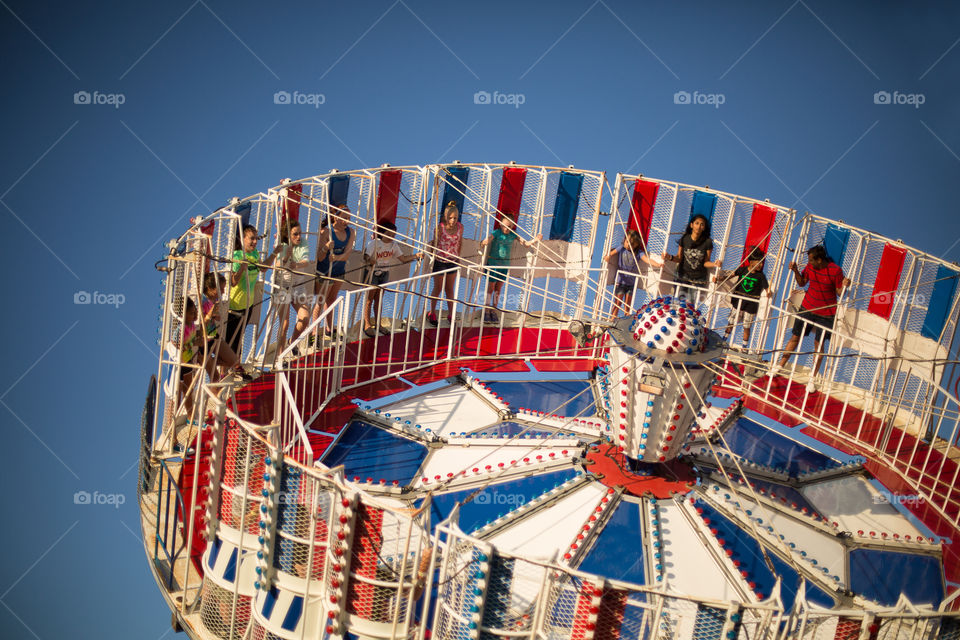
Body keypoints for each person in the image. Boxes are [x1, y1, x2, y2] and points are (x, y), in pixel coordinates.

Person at [776, 244, 850, 391]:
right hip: (807, 308)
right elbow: (802, 282)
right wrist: (796, 270)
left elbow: (839, 293)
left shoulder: (835, 270)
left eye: (811, 260)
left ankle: (812, 378)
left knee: (819, 345)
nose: (808, 263)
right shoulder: (810, 268)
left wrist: (844, 285)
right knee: (795, 337)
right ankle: (779, 366)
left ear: (820, 260)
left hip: (827, 314)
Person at [227, 224, 280, 354]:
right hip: (234, 307)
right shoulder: (237, 256)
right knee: (230, 343)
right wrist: (241, 268)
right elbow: (233, 282)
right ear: (243, 239)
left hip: (248, 305)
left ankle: (235, 369)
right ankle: (226, 371)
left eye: (256, 238)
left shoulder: (255, 254)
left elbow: (263, 268)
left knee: (239, 341)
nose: (255, 242)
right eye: (252, 238)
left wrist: (275, 253)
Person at [362, 221, 421, 337]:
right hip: (372, 273)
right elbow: (366, 256)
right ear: (382, 233)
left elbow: (403, 259)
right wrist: (370, 260)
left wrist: (415, 256)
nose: (392, 237)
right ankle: (367, 324)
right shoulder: (373, 243)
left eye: (393, 235)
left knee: (379, 300)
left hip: (384, 274)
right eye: (389, 235)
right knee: (369, 299)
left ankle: (378, 324)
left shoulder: (394, 246)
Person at [480, 216, 540, 323]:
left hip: (505, 265)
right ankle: (486, 310)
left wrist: (535, 239)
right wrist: (483, 242)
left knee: (498, 289)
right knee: (491, 287)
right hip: (494, 263)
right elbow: (489, 239)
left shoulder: (513, 235)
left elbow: (525, 244)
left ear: (512, 226)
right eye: (504, 226)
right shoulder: (497, 233)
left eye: (508, 226)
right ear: (500, 225)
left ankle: (494, 310)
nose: (506, 229)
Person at [715, 247, 772, 350]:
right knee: (731, 322)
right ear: (751, 262)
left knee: (747, 326)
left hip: (751, 305)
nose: (761, 265)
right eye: (758, 263)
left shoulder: (761, 276)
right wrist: (719, 279)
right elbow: (730, 276)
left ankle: (744, 347)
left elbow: (766, 287)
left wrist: (768, 293)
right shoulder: (742, 270)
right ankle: (724, 340)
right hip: (738, 302)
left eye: (762, 263)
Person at [313, 205, 355, 340]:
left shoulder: (351, 232)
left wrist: (336, 257)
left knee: (331, 300)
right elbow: (319, 257)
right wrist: (326, 248)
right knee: (320, 301)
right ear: (336, 217)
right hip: (324, 272)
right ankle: (314, 332)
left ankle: (329, 329)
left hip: (338, 271)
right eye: (344, 218)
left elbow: (347, 254)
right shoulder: (326, 232)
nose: (346, 221)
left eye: (348, 218)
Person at [200, 272, 252, 381]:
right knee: (215, 377)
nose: (223, 292)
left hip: (213, 336)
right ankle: (206, 361)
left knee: (234, 361)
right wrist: (210, 315)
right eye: (221, 289)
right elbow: (198, 325)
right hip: (202, 340)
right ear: (210, 288)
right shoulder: (201, 301)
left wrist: (214, 316)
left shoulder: (214, 300)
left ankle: (209, 361)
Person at [274, 219, 313, 356]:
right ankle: (280, 356)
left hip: (298, 285)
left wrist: (295, 265)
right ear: (288, 235)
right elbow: (277, 264)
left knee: (305, 318)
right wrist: (286, 257)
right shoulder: (282, 245)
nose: (298, 237)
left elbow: (305, 261)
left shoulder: (303, 243)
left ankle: (292, 341)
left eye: (299, 233)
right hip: (282, 287)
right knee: (284, 324)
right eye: (295, 234)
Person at [662, 214, 716, 303]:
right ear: (691, 225)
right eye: (697, 223)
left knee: (690, 304)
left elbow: (706, 262)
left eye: (702, 224)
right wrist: (670, 257)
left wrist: (714, 264)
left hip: (698, 278)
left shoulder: (707, 242)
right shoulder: (685, 239)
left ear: (704, 228)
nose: (699, 226)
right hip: (683, 275)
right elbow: (679, 258)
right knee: (677, 301)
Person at [605, 229, 658, 318]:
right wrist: (608, 256)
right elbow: (612, 253)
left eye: (632, 244)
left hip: (631, 283)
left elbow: (647, 260)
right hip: (620, 281)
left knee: (628, 304)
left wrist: (658, 264)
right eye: (627, 242)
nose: (628, 245)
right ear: (624, 240)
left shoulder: (639, 253)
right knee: (617, 302)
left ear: (636, 245)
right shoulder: (621, 248)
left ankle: (626, 317)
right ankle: (613, 318)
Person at [427, 201, 464, 326]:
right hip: (440, 261)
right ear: (446, 216)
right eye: (450, 218)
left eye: (455, 218)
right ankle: (432, 312)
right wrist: (431, 255)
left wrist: (458, 256)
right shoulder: (440, 227)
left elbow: (459, 242)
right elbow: (434, 242)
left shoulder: (460, 227)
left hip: (452, 261)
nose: (452, 220)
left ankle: (451, 314)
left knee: (449, 289)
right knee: (438, 288)